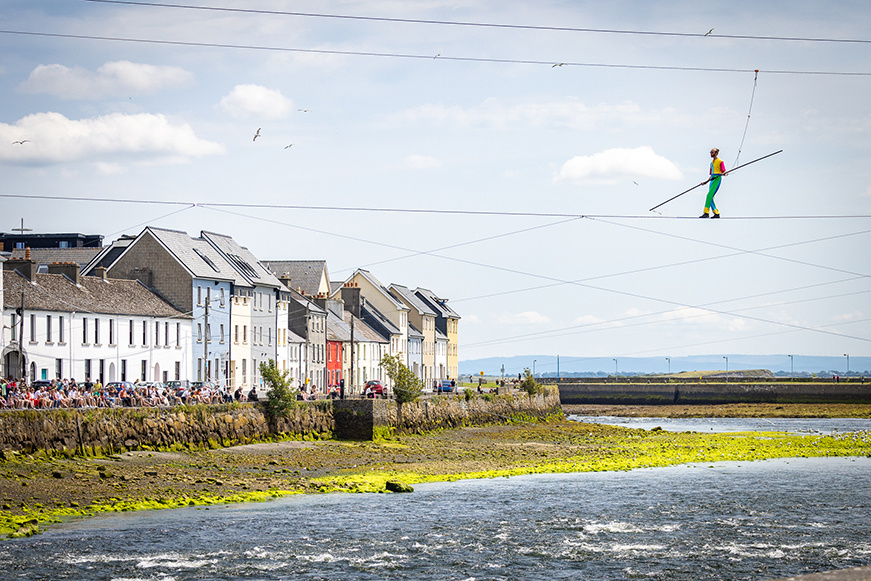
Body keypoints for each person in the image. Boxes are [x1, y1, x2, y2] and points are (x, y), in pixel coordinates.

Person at [701, 148, 727, 218]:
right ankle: (716, 213)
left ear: (716, 153)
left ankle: (706, 212)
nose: (710, 153)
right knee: (710, 197)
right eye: (710, 152)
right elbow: (711, 174)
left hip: (717, 179)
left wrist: (724, 173)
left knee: (709, 195)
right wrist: (705, 182)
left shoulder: (720, 161)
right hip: (712, 179)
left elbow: (723, 171)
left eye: (712, 152)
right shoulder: (711, 163)